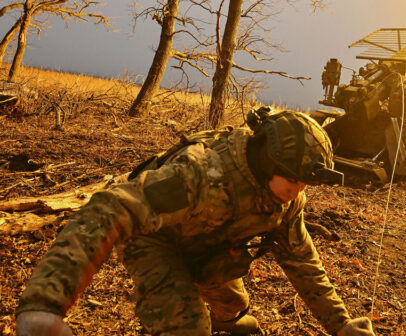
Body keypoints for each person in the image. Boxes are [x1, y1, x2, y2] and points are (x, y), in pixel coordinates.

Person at [15, 107, 376, 336]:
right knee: (188, 326)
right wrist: (45, 304)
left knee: (235, 309)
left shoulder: (289, 198)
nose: (298, 191)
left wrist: (340, 324)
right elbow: (110, 208)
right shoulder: (201, 176)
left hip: (208, 242)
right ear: (268, 163)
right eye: (293, 179)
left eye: (305, 183)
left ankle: (229, 319)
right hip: (155, 240)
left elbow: (302, 261)